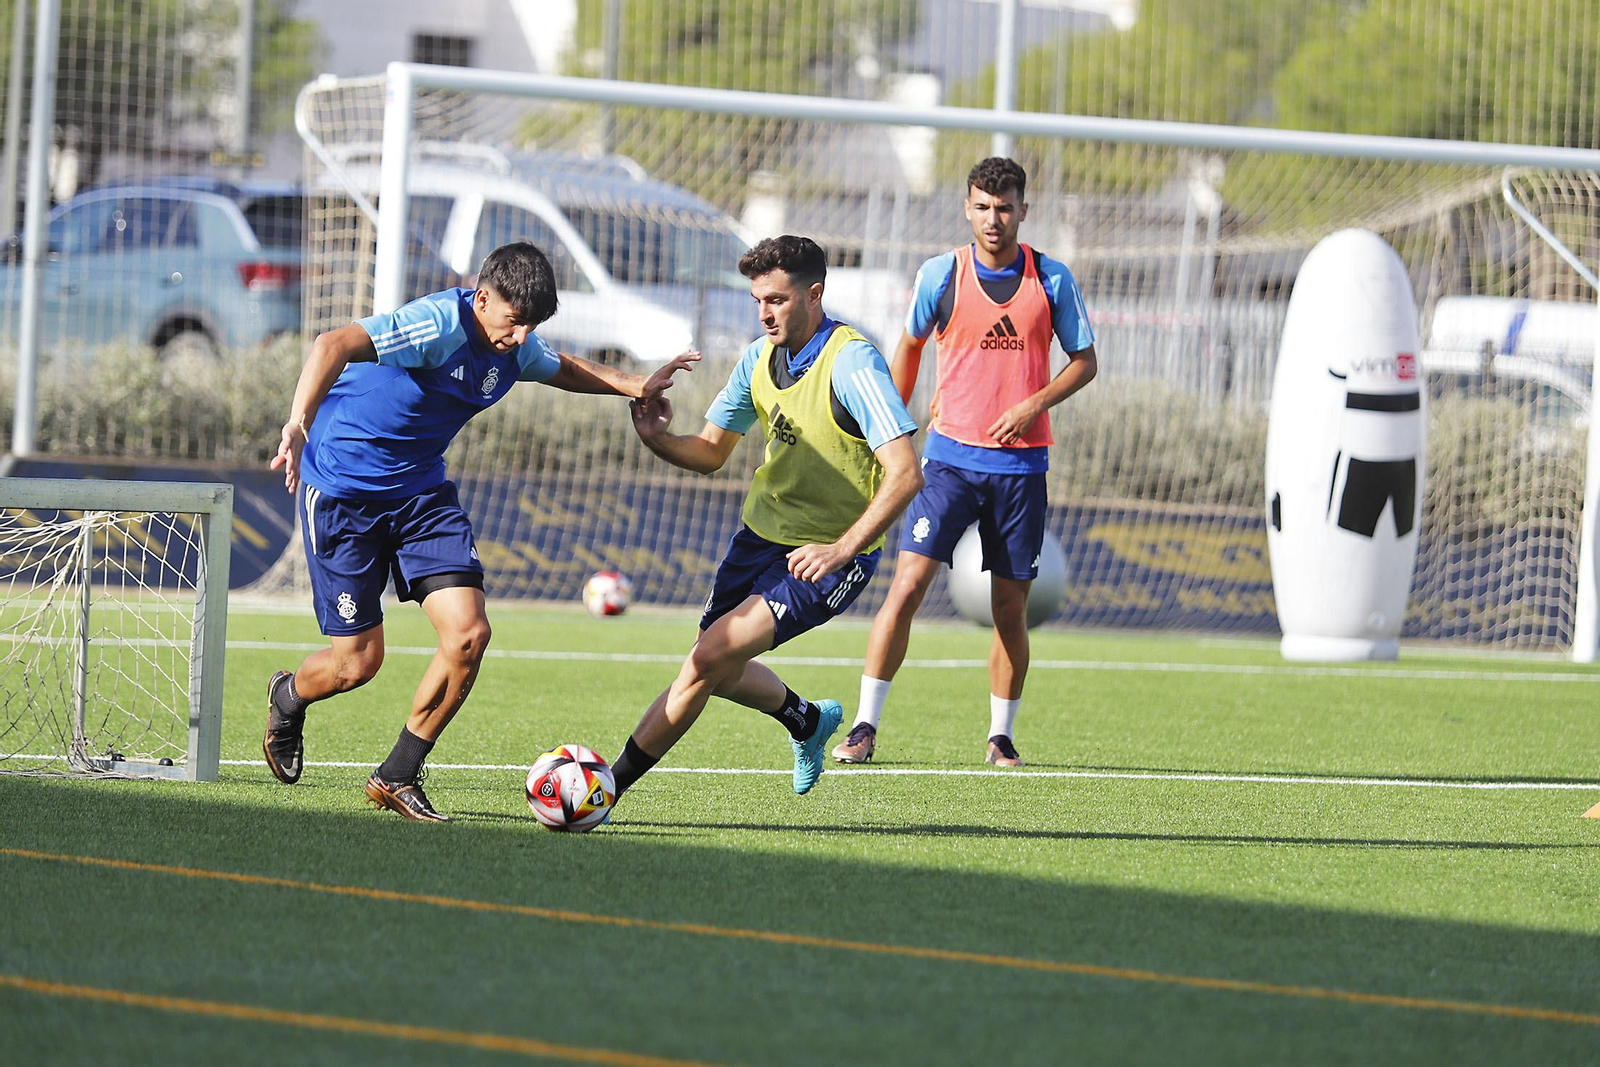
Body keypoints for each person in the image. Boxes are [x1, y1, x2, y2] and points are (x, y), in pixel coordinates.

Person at [262, 241, 695, 821]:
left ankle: (398, 774)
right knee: (356, 665)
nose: (522, 337)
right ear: (482, 298)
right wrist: (297, 423)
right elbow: (331, 344)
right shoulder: (437, 325)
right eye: (514, 321)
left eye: (532, 326)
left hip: (421, 494)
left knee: (469, 635)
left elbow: (562, 367)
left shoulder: (515, 344)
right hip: (344, 491)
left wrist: (636, 385)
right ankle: (289, 695)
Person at [608, 234, 923, 803]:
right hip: (759, 538)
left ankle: (605, 790)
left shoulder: (852, 361)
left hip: (826, 556)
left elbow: (905, 473)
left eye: (776, 299)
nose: (764, 313)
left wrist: (842, 549)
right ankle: (806, 720)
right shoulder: (758, 357)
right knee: (716, 666)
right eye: (758, 300)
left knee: (707, 659)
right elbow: (711, 451)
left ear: (814, 295)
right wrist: (657, 438)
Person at [833, 157, 1097, 769]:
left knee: (1009, 608)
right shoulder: (940, 274)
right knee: (906, 587)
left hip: (1021, 471)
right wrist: (890, 429)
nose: (993, 218)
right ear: (967, 209)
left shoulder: (1051, 278)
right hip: (947, 463)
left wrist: (1033, 404)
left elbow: (1085, 362)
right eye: (982, 206)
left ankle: (1001, 736)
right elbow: (908, 347)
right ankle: (865, 726)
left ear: (1023, 210)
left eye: (1004, 207)